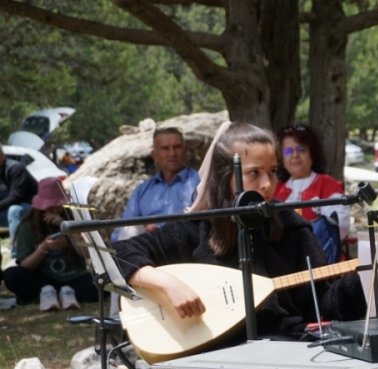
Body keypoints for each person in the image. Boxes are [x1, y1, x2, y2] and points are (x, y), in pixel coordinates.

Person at [113, 121, 365, 343]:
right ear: (226, 177)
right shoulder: (199, 227)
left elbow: (324, 302)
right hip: (213, 351)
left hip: (285, 346)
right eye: (254, 173)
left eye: (272, 172)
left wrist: (361, 279)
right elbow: (120, 253)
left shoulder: (290, 227)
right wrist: (168, 284)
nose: (267, 184)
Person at [3, 177, 97, 311]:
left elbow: (86, 254)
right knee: (11, 275)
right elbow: (25, 265)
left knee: (102, 281)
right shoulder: (28, 225)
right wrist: (43, 249)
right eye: (50, 205)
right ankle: (50, 293)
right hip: (43, 280)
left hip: (74, 277)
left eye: (58, 204)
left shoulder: (73, 219)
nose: (54, 208)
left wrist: (68, 230)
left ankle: (64, 293)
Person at [273, 124, 350, 263]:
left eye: (301, 150)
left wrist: (321, 209)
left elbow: (342, 227)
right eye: (288, 151)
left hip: (324, 262)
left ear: (312, 155)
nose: (295, 155)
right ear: (281, 160)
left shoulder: (327, 184)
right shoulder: (276, 189)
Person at [110, 127, 200, 241]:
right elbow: (124, 228)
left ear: (185, 150)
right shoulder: (142, 190)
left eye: (177, 147)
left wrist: (159, 229)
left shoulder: (199, 183)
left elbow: (202, 225)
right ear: (154, 155)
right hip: (146, 250)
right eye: (165, 149)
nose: (172, 154)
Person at [0, 145, 38, 258]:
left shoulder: (15, 168)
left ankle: (17, 254)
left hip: (33, 208)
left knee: (14, 211)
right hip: (15, 206)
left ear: (1, 156)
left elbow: (16, 196)